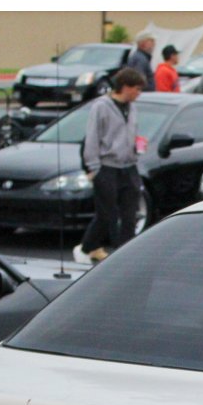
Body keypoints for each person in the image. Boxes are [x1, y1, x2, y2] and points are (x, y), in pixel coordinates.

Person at [75, 66, 146, 264]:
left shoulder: (132, 108)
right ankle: (87, 246)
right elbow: (92, 138)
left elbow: (129, 132)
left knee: (130, 215)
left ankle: (126, 255)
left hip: (129, 165)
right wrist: (94, 168)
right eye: (137, 89)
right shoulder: (101, 107)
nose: (138, 94)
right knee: (107, 214)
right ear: (125, 87)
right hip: (107, 166)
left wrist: (137, 146)